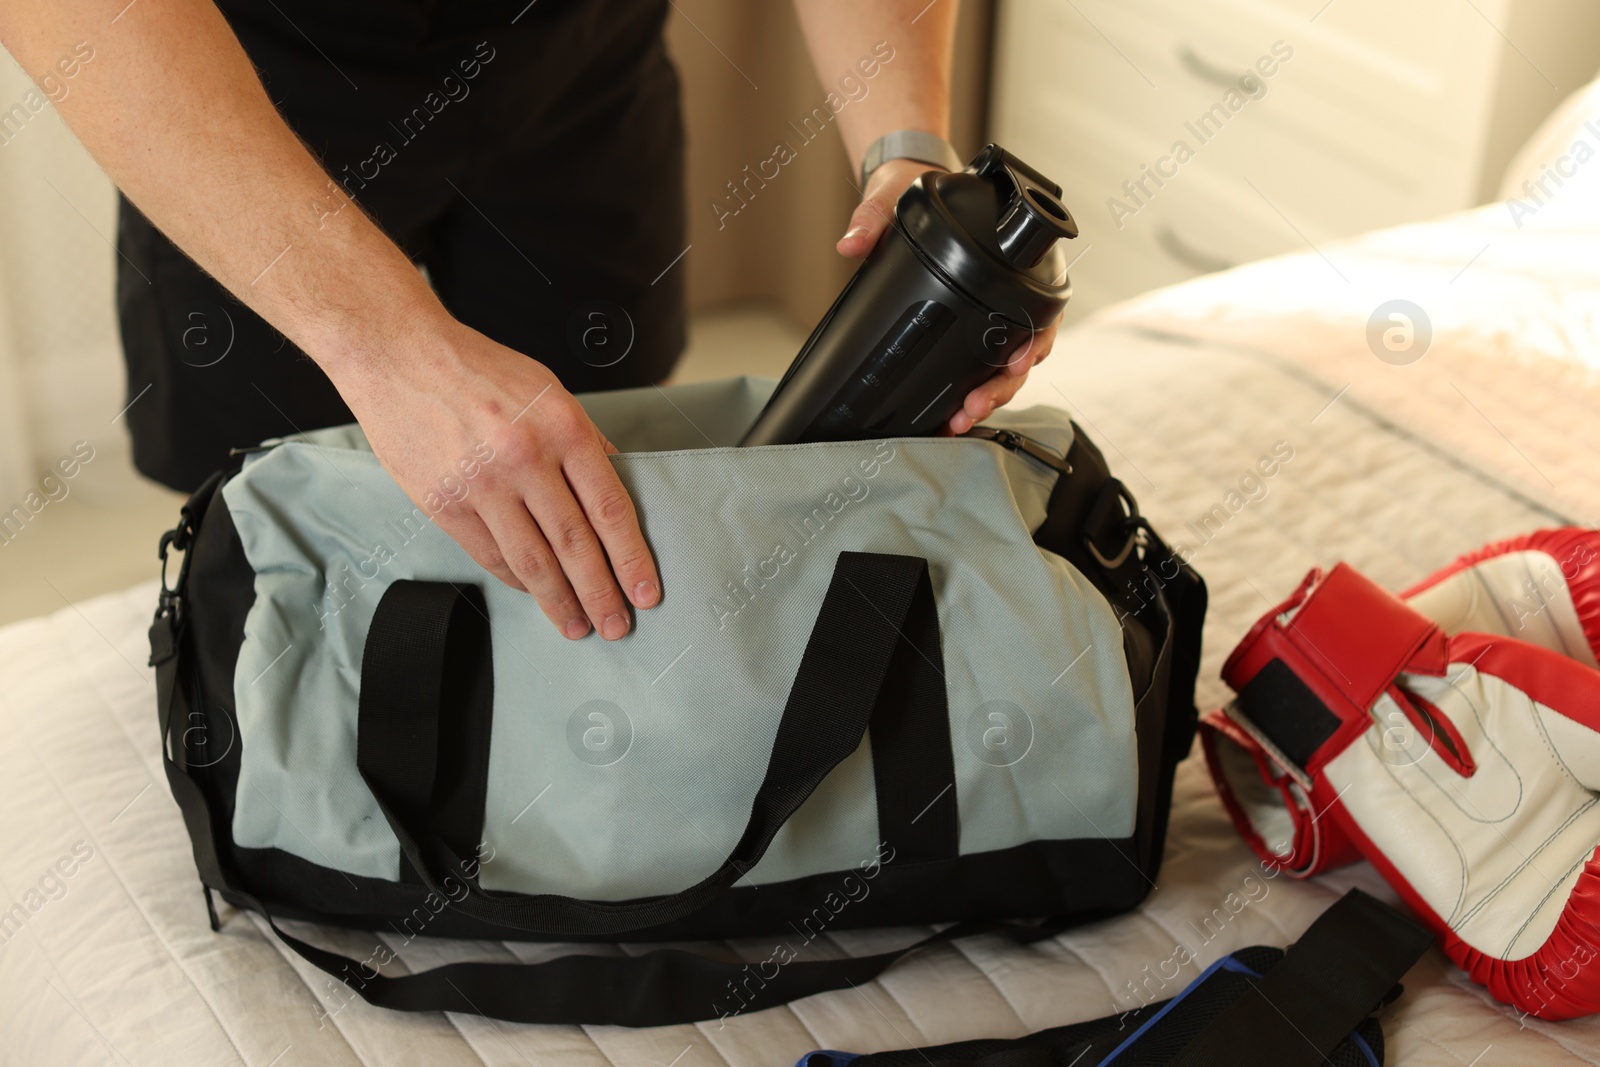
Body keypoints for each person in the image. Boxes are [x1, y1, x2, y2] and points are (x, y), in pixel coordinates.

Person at [0, 0, 1055, 640]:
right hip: (252, 91)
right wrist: (389, 348)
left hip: (580, 65)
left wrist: (906, 153)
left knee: (604, 489)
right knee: (262, 520)